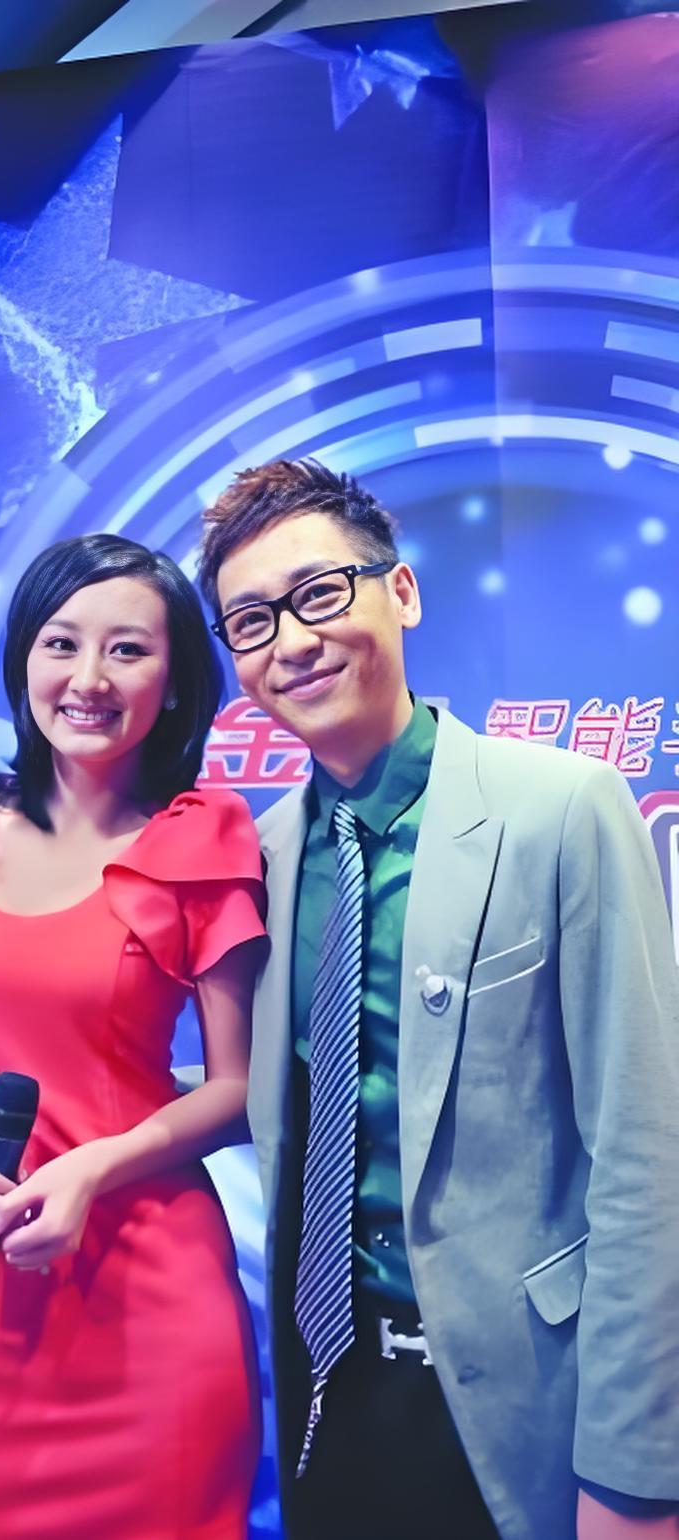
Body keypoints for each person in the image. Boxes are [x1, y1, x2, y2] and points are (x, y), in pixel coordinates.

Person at [197, 458, 679, 1540]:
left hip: (524, 1413)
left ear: (401, 591)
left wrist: (637, 1474)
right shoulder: (258, 860)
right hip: (327, 1405)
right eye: (253, 621)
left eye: (320, 592)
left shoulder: (561, 807)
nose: (292, 640)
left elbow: (648, 1153)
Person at [0, 533, 267, 1540]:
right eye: (61, 643)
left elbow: (238, 1088)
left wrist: (93, 1168)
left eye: (128, 650)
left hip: (153, 1301)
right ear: (23, 661)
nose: (88, 679)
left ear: (175, 681)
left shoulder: (201, 840)